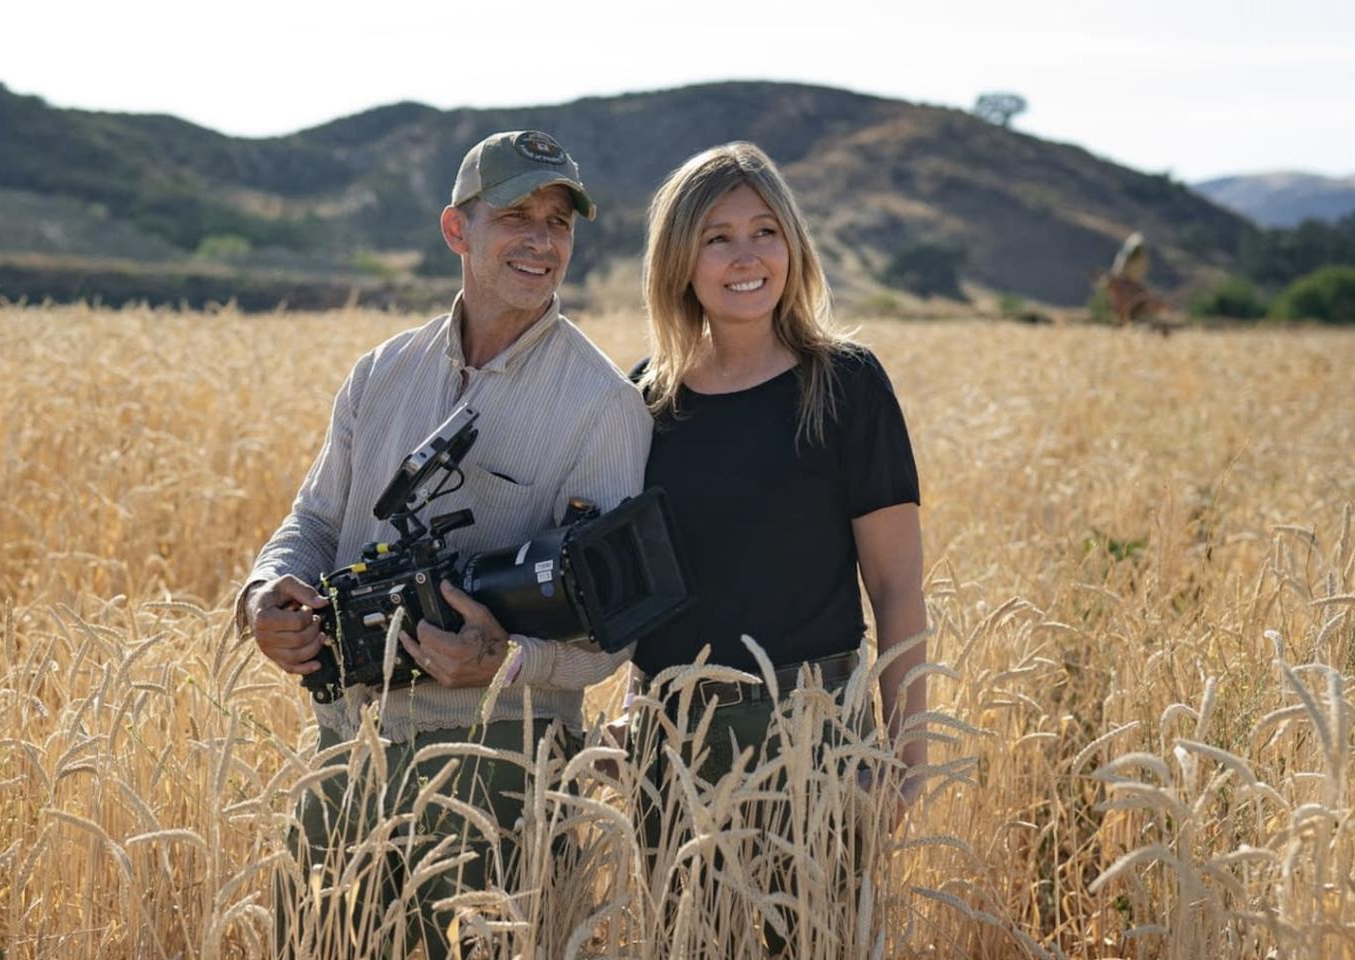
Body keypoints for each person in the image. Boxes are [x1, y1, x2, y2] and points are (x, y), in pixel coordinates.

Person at [238, 130, 651, 958]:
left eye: (560, 222)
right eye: (517, 216)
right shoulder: (380, 372)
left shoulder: (604, 406)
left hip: (498, 768)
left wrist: (506, 662)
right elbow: (315, 520)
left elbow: (617, 632)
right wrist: (265, 595)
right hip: (346, 749)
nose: (542, 241)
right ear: (457, 231)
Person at [629, 141, 929, 948]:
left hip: (815, 738)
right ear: (680, 259)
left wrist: (905, 758)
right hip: (672, 745)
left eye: (765, 230)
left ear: (793, 244)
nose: (746, 256)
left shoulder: (846, 384)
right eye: (717, 237)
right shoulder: (642, 403)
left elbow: (897, 585)